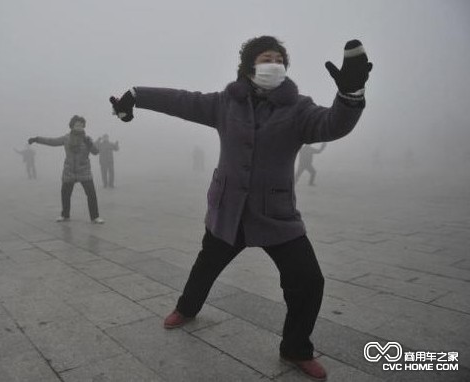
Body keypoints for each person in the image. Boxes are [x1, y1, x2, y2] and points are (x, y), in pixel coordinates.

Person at [110, 36, 372, 380]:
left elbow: (332, 125)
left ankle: (295, 348)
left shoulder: (299, 108)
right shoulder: (224, 104)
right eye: (266, 57)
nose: (274, 63)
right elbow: (182, 100)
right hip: (228, 209)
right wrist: (137, 94)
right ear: (250, 66)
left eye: (279, 58)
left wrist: (351, 95)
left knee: (308, 281)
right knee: (205, 266)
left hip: (276, 213)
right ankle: (186, 309)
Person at [28, 115, 104, 224]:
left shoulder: (87, 139)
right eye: (77, 125)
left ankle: (95, 217)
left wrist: (90, 144)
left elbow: (96, 152)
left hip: (84, 170)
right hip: (69, 171)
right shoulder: (66, 138)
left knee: (91, 194)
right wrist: (37, 139)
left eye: (81, 125)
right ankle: (65, 215)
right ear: (72, 126)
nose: (79, 127)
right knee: (65, 194)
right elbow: (51, 141)